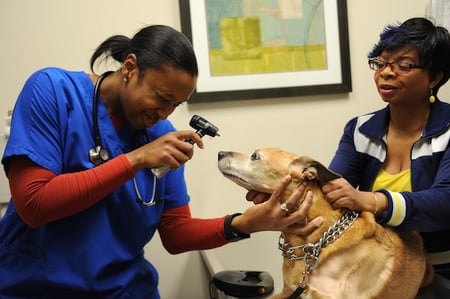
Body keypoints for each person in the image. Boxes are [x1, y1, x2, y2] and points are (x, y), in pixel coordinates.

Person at [0, 25, 319, 298]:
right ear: (129, 68)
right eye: (162, 98)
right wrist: (136, 160)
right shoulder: (53, 92)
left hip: (124, 290)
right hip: (36, 288)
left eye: (176, 104)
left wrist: (248, 222)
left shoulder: (159, 134)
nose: (165, 114)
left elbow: (175, 233)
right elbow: (34, 203)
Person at [319, 17, 450, 291]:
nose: (386, 72)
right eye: (381, 63)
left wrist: (370, 200)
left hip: (442, 268)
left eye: (403, 65)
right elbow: (332, 191)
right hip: (378, 266)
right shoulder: (359, 129)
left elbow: (443, 204)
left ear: (434, 77)